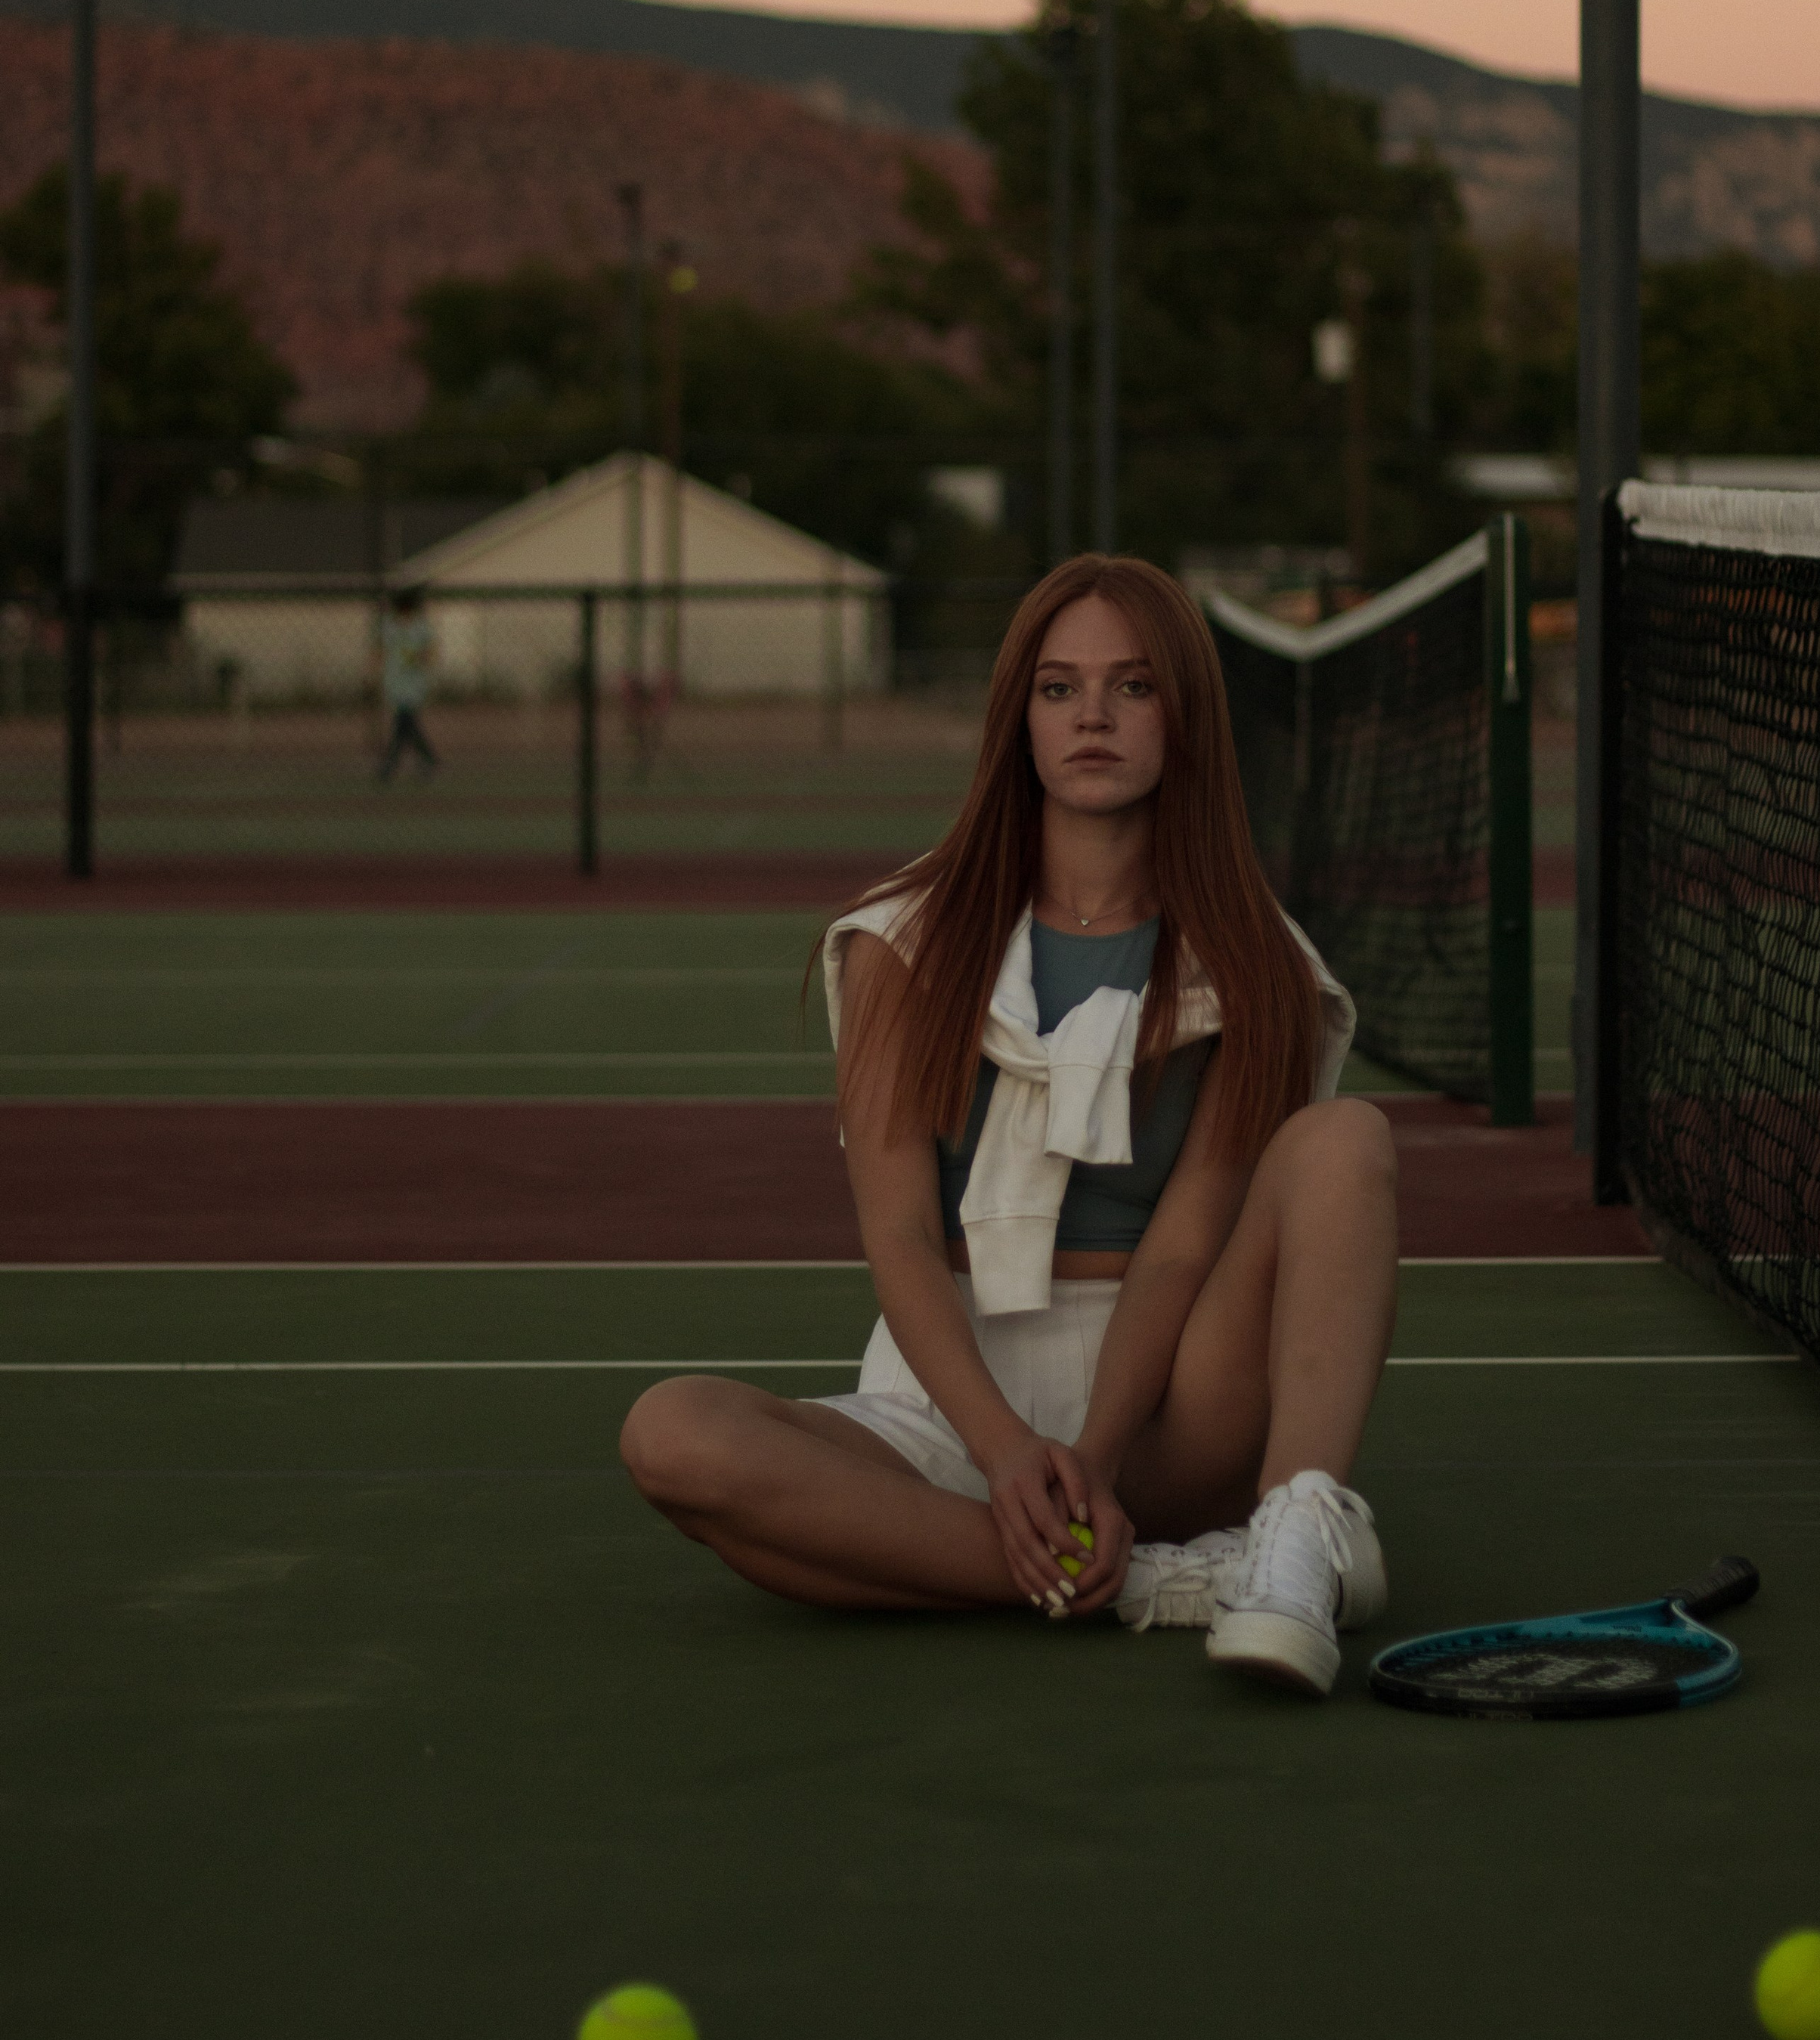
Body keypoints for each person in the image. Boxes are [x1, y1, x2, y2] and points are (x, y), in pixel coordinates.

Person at [621, 553, 1398, 1694]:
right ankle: (1146, 1583)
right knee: (673, 1434)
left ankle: (1293, 1538)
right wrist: (1002, 1452)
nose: (1093, 715)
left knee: (1350, 1141)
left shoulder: (1256, 964)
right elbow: (899, 1239)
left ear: (1183, 720)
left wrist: (1091, 1457)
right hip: (946, 1397)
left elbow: (1185, 1248)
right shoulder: (901, 942)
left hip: (1170, 1403)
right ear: (1017, 719)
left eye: (1133, 688)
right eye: (1058, 688)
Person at [376, 589, 438, 782]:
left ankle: (390, 765)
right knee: (406, 724)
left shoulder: (421, 628)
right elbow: (381, 650)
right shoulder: (390, 627)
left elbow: (429, 653)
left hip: (414, 683)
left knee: (403, 722)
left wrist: (419, 658)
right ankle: (428, 758)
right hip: (395, 682)